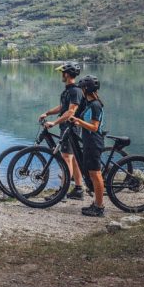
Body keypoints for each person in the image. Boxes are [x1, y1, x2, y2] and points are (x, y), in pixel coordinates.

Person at [38, 61, 85, 200]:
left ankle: (62, 192)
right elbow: (62, 107)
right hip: (66, 127)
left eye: (62, 72)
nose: (61, 75)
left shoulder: (75, 91)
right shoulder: (68, 90)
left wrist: (54, 122)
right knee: (73, 159)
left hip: (71, 128)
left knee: (66, 159)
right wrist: (47, 113)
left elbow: (70, 112)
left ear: (67, 74)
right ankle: (78, 189)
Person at [70, 75, 106, 217]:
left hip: (94, 142)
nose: (81, 91)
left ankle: (99, 207)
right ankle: (96, 203)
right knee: (92, 173)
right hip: (88, 141)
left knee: (96, 174)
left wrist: (79, 121)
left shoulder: (95, 105)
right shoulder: (89, 104)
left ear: (86, 89)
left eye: (82, 88)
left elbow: (95, 127)